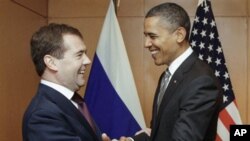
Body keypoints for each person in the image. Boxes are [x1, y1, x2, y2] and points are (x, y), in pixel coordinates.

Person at [121, 2, 222, 141]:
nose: (146, 44)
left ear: (179, 35)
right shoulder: (167, 75)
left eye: (152, 36)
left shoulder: (201, 81)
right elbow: (159, 132)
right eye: (146, 36)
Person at [22, 23, 110, 141]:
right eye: (79, 55)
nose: (87, 61)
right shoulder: (42, 116)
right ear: (51, 63)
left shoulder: (75, 101)